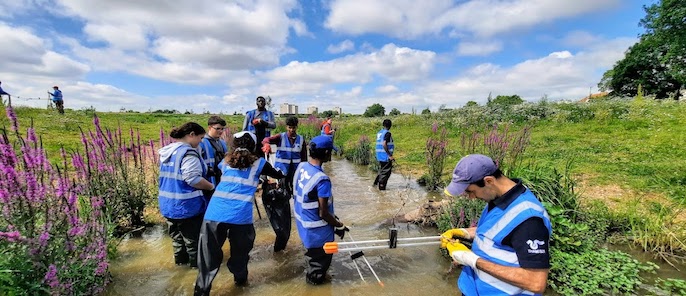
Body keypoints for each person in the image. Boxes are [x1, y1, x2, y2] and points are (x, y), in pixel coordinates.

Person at [440, 154, 552, 296]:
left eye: (471, 191)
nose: (471, 197)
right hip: (474, 288)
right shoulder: (499, 198)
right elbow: (499, 231)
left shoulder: (529, 221)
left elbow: (535, 283)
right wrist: (463, 232)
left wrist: (472, 260)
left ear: (489, 181)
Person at [194, 131, 285, 295]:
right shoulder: (260, 163)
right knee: (240, 255)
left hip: (214, 214)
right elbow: (278, 174)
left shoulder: (225, 161)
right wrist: (279, 169)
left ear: (233, 145)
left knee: (208, 259)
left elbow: (226, 173)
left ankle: (202, 290)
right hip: (240, 217)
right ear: (253, 146)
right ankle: (240, 283)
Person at [158, 122, 215, 269]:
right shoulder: (188, 153)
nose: (201, 142)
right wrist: (211, 187)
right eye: (200, 138)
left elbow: (177, 174)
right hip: (187, 208)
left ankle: (180, 268)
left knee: (177, 241)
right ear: (191, 135)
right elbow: (193, 179)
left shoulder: (168, 152)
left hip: (168, 206)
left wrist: (206, 170)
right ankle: (196, 273)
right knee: (194, 243)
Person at [293, 135, 349, 285]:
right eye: (330, 151)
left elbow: (304, 198)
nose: (331, 154)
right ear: (325, 153)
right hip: (318, 235)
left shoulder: (302, 167)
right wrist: (339, 225)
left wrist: (334, 219)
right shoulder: (322, 179)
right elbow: (323, 213)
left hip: (304, 227)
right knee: (318, 272)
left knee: (312, 263)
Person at [260, 116, 307, 252]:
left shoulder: (301, 140)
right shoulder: (280, 137)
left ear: (297, 127)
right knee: (282, 197)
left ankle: (298, 215)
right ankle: (284, 219)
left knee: (297, 195)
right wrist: (267, 145)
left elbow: (304, 158)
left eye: (294, 127)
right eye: (289, 127)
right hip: (281, 174)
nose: (291, 130)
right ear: (286, 127)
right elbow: (266, 139)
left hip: (296, 174)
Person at [199, 116, 228, 199]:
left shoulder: (222, 143)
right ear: (209, 128)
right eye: (217, 128)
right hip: (208, 180)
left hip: (221, 179)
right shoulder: (202, 142)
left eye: (222, 129)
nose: (221, 131)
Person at [373, 119, 394, 190]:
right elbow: (384, 144)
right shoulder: (387, 133)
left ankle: (375, 185)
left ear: (383, 125)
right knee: (385, 173)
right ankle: (381, 189)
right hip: (385, 157)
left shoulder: (379, 132)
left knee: (381, 171)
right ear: (390, 125)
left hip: (379, 155)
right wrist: (390, 155)